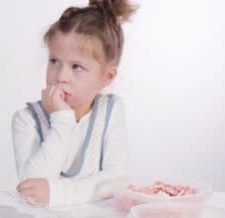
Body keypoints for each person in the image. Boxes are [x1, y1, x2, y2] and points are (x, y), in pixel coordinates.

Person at [12, 0, 136, 207]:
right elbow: (31, 189)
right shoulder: (27, 119)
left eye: (76, 66)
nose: (61, 76)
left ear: (107, 76)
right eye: (54, 61)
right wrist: (62, 119)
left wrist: (58, 193)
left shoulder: (111, 110)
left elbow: (117, 179)